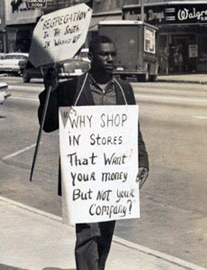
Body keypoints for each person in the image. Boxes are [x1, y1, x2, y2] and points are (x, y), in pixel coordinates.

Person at [38, 35, 149, 270]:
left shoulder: (124, 89)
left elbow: (133, 129)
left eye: (112, 54)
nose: (110, 59)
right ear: (91, 57)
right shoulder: (72, 89)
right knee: (87, 234)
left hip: (112, 174)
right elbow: (47, 124)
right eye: (104, 54)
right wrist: (50, 88)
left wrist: (142, 160)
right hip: (84, 177)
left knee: (105, 234)